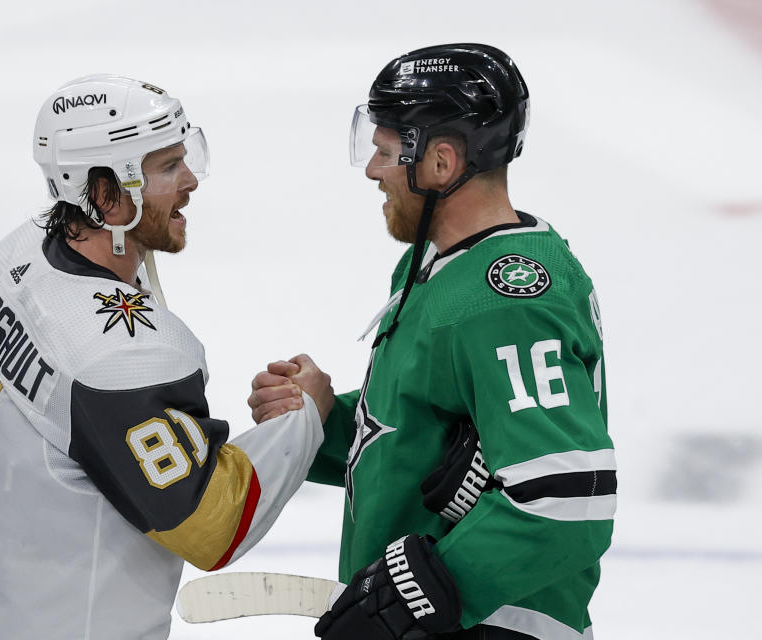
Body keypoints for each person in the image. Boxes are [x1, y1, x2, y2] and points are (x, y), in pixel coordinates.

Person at [0, 74, 331, 639]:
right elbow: (213, 526)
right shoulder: (121, 358)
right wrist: (304, 418)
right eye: (165, 168)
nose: (189, 182)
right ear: (106, 195)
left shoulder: (18, 253)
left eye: (187, 158)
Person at [249, 44, 616, 639]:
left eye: (387, 151)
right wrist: (324, 422)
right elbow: (428, 447)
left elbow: (566, 498)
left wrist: (419, 597)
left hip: (497, 625)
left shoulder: (506, 300)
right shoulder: (442, 265)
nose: (373, 169)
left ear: (441, 162)